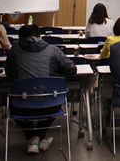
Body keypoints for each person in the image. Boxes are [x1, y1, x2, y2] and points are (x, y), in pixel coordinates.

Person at [5, 24, 77, 154]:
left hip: (21, 105)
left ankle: (33, 139)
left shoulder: (14, 49)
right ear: (40, 36)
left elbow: (9, 73)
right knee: (55, 101)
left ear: (19, 38)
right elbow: (71, 69)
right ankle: (38, 137)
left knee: (12, 105)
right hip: (50, 105)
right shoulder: (52, 49)